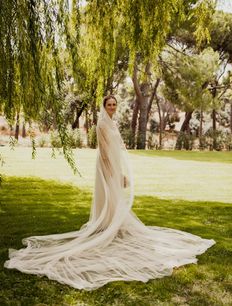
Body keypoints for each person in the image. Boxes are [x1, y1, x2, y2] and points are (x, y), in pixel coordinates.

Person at [4, 95, 216, 291]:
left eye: (114, 104)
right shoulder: (102, 124)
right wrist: (112, 170)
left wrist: (121, 171)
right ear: (104, 106)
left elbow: (117, 149)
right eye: (109, 104)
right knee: (109, 194)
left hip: (114, 164)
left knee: (115, 197)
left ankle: (112, 224)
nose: (112, 107)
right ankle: (107, 225)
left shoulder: (112, 122)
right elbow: (104, 150)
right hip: (106, 165)